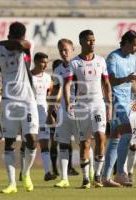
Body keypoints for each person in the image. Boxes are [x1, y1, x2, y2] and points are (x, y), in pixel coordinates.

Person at [0, 22, 38, 194]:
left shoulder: (27, 45)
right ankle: (12, 183)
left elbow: (21, 45)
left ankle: (26, 173)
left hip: (28, 100)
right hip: (7, 100)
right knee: (9, 142)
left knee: (31, 139)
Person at [63, 30, 112, 188]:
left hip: (98, 104)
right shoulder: (74, 63)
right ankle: (85, 179)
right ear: (82, 42)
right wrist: (69, 101)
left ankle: (97, 176)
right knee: (84, 143)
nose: (92, 43)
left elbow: (106, 83)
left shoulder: (101, 61)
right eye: (89, 41)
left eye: (93, 40)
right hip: (82, 106)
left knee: (100, 136)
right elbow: (67, 84)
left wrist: (109, 104)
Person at [102, 30, 136, 187]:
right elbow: (110, 81)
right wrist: (126, 79)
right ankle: (120, 173)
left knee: (115, 138)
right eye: (135, 45)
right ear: (126, 43)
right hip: (115, 100)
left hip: (127, 101)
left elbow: (132, 82)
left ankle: (105, 177)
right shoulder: (113, 57)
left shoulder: (133, 59)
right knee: (127, 133)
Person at [49, 39, 80, 188]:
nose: (63, 52)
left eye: (66, 49)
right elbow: (55, 90)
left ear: (73, 49)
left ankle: (92, 174)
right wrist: (51, 110)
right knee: (63, 143)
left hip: (80, 110)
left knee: (84, 143)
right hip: (63, 111)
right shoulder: (58, 70)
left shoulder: (80, 65)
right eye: (61, 50)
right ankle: (64, 178)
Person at [30, 52, 57, 181]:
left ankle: (47, 172)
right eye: (42, 62)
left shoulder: (47, 78)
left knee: (45, 142)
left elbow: (50, 95)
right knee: (29, 143)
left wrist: (51, 113)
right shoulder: (27, 77)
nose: (45, 65)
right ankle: (25, 172)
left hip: (43, 113)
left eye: (47, 62)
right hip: (29, 113)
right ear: (35, 62)